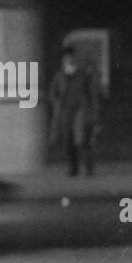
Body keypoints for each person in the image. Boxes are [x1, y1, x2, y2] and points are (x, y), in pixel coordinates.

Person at [48, 47, 100, 177]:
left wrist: (93, 111)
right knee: (68, 141)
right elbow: (53, 94)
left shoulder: (83, 75)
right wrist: (58, 103)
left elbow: (91, 94)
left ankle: (89, 169)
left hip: (81, 112)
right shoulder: (60, 76)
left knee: (84, 140)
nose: (69, 60)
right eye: (67, 58)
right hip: (66, 112)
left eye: (71, 57)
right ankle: (73, 168)